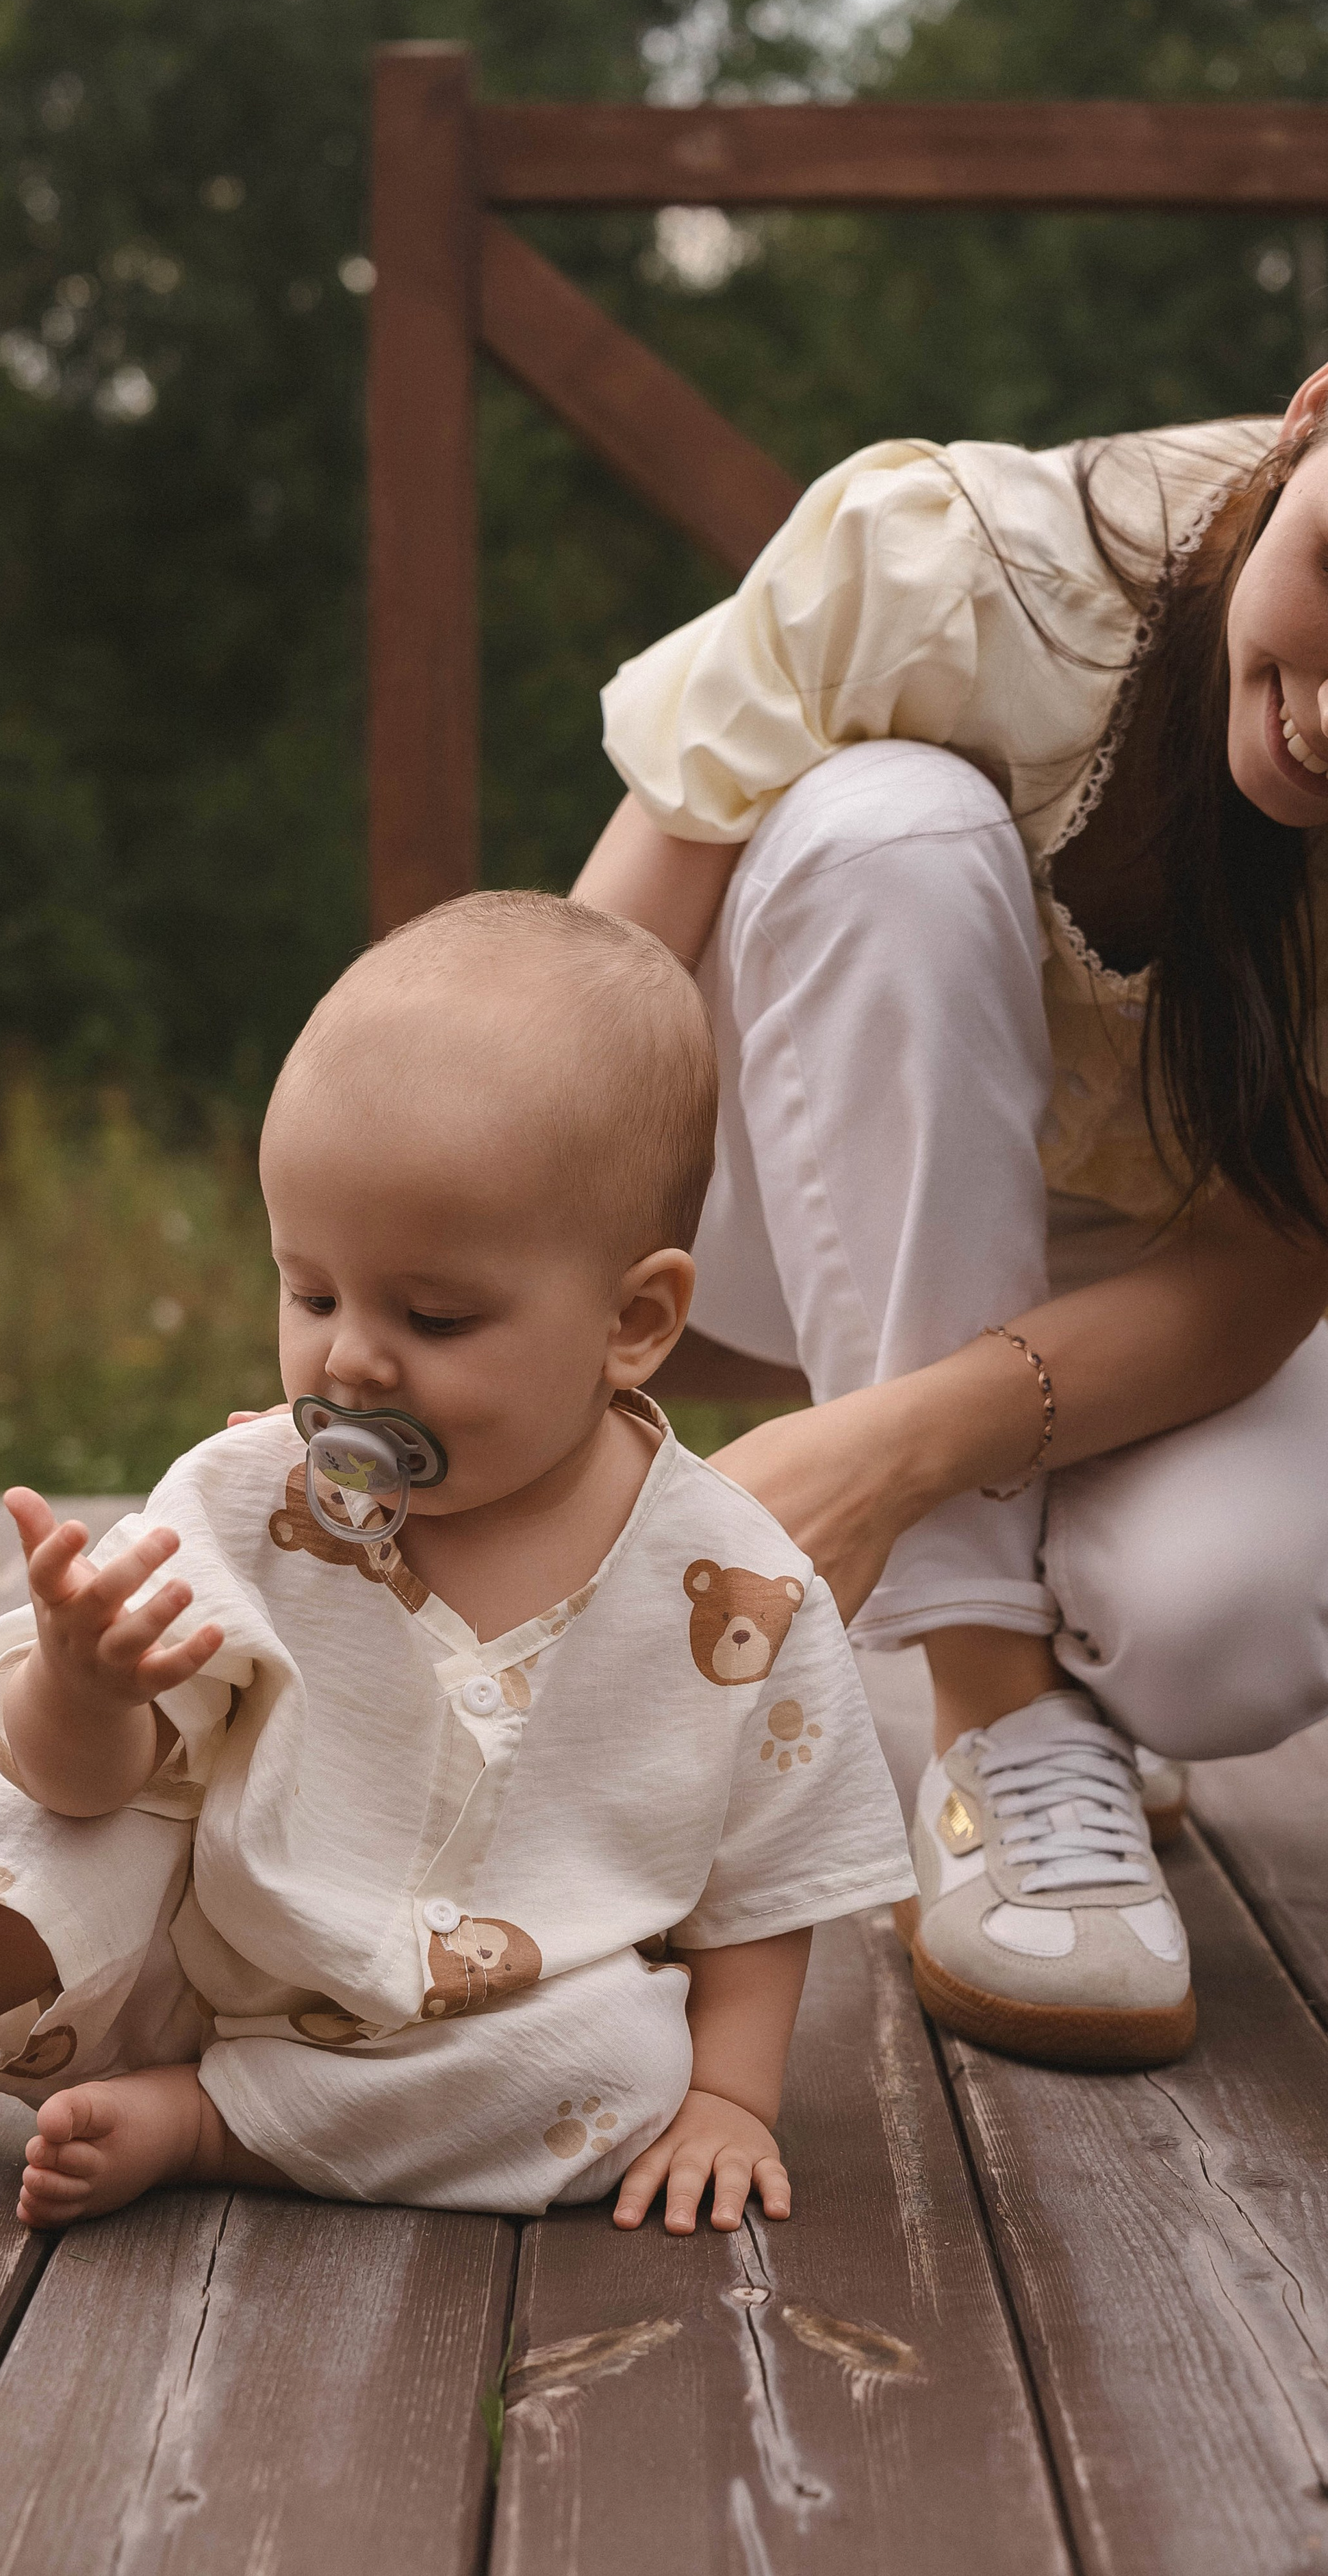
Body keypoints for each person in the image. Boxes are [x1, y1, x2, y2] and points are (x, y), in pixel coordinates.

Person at [0, 894, 915, 2233]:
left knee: (618, 2069)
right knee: (28, 1826)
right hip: (196, 1944)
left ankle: (216, 2125)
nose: (351, 1358)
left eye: (432, 1315)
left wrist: (732, 2093)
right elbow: (91, 1781)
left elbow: (767, 1880)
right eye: (310, 1293)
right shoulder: (251, 1500)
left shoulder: (738, 1582)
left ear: (633, 1318)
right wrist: (87, 1691)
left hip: (476, 2018)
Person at [574, 368, 1328, 2068]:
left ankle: (1064, 1679)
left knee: (1228, 1627)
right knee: (877, 832)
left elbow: (1274, 1258)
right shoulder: (951, 560)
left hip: (1178, 1285)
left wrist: (886, 1452)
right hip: (812, 1177)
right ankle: (990, 1701)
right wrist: (446, 1344)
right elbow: (589, 998)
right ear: (1311, 417)